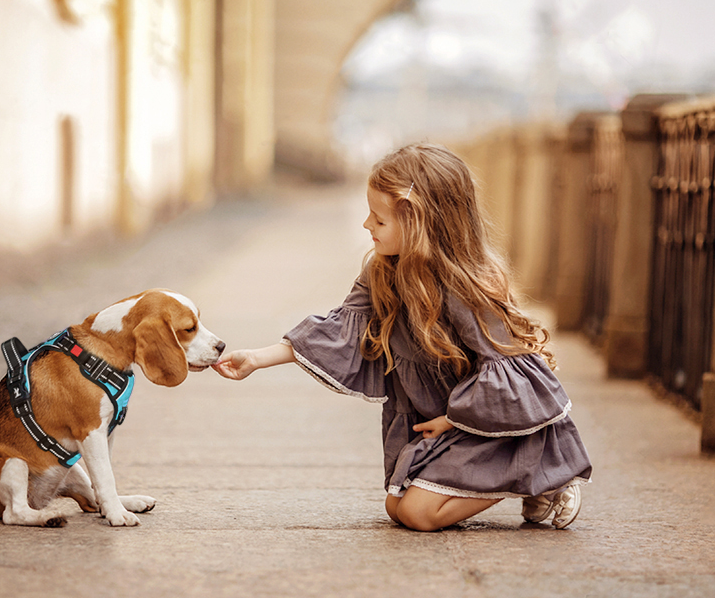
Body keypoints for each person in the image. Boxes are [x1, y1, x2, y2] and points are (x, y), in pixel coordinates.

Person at [212, 142, 592, 532]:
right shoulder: (381, 271)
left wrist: (452, 420)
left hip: (484, 417)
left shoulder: (465, 287)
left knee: (417, 513)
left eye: (378, 220)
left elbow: (509, 379)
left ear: (417, 221)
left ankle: (541, 467)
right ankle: (522, 473)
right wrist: (258, 359)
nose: (366, 226)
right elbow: (341, 328)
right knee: (397, 506)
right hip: (440, 418)